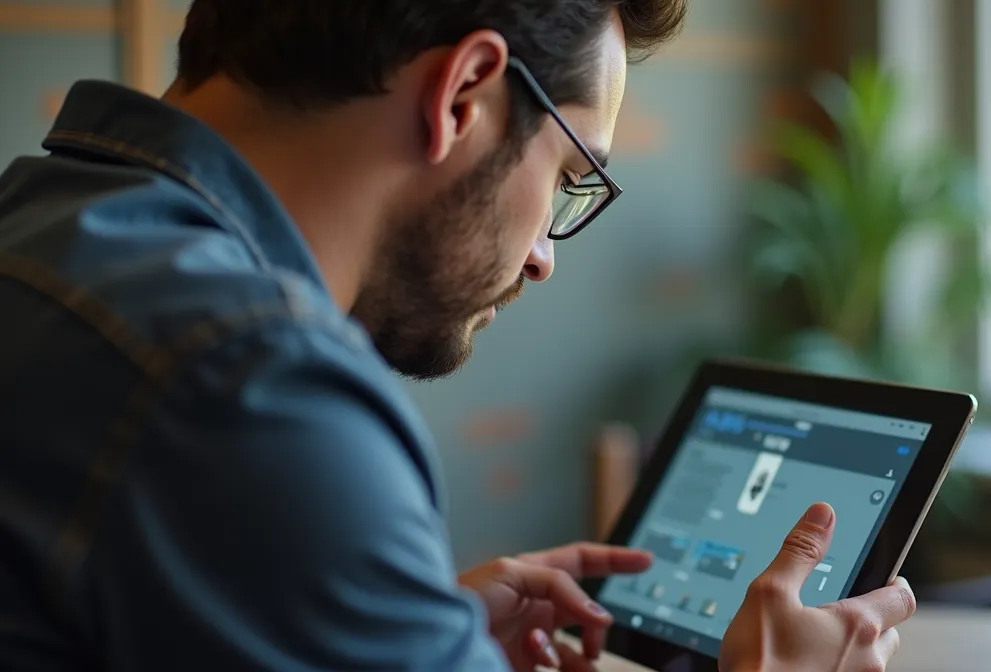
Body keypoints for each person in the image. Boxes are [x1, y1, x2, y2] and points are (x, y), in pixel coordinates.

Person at [0, 1, 917, 670]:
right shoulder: (249, 381)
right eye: (569, 175)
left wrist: (403, 631)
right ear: (464, 93)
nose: (545, 257)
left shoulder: (35, 225)